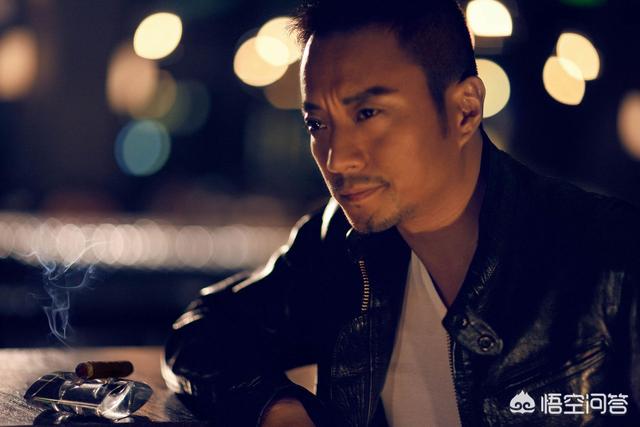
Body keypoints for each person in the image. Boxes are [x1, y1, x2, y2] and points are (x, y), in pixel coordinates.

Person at [162, 0, 640, 425]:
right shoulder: (340, 246)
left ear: (466, 110)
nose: (337, 159)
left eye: (367, 114)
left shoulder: (611, 259)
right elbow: (202, 331)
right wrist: (276, 408)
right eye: (317, 123)